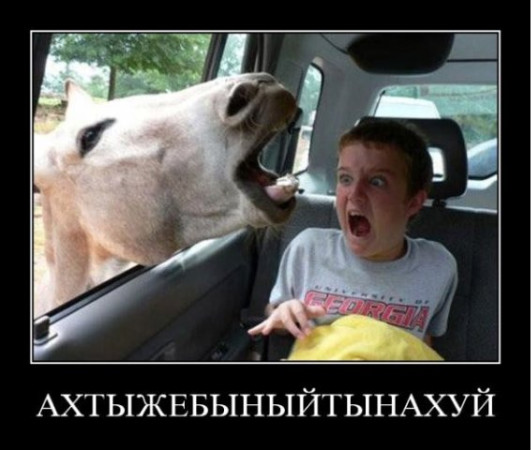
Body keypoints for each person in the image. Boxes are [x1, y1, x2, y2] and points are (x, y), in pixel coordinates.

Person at [248, 118, 457, 351]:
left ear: (413, 203)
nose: (355, 194)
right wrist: (283, 313)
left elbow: (423, 341)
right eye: (346, 179)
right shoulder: (308, 249)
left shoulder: (437, 266)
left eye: (377, 182)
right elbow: (276, 315)